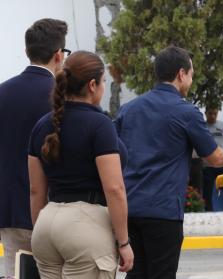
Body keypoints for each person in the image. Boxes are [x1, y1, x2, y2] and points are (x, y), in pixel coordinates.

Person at [115, 45, 223, 279]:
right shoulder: (187, 112)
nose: (191, 80)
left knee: (136, 275)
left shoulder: (128, 109)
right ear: (181, 74)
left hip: (129, 208)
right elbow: (215, 158)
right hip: (163, 212)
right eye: (191, 74)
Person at [28, 51, 134, 278]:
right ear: (93, 85)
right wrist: (123, 241)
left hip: (46, 223)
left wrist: (41, 229)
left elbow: (36, 190)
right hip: (86, 224)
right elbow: (114, 189)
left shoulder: (41, 126)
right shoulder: (99, 124)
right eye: (104, 81)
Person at [0, 18, 68, 278]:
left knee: (15, 272)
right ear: (58, 55)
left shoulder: (3, 92)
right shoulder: (62, 96)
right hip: (53, 210)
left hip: (10, 211)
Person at [203, 105, 223, 212]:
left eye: (215, 113)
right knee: (206, 193)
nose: (212, 116)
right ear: (205, 113)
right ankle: (208, 214)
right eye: (210, 113)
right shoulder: (202, 127)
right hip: (207, 165)